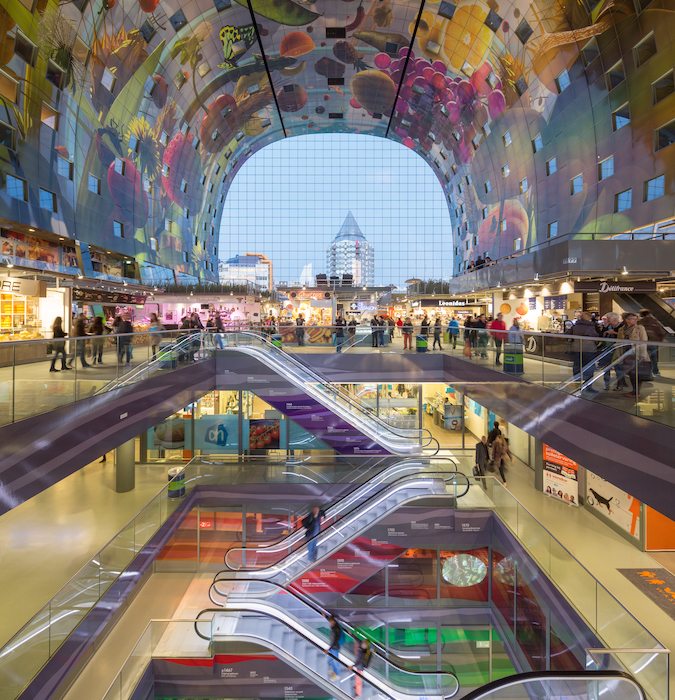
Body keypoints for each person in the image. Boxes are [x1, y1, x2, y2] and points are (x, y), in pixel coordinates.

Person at [618, 313, 650, 400]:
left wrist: (642, 355)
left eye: (636, 319)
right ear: (626, 319)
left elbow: (644, 341)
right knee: (631, 373)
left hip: (636, 354)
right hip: (626, 353)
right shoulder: (621, 329)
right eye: (632, 318)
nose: (634, 320)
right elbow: (618, 342)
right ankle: (634, 391)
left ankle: (636, 392)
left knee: (637, 373)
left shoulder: (640, 328)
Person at [570, 311, 599, 390]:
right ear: (589, 318)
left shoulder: (575, 326)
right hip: (589, 349)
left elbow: (568, 334)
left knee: (577, 367)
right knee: (589, 367)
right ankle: (588, 386)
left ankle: (577, 385)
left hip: (576, 348)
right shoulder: (591, 326)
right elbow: (596, 336)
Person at [598, 312, 625, 390]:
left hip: (617, 349)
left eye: (609, 319)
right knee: (606, 368)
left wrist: (614, 333)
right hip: (607, 349)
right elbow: (601, 336)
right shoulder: (607, 326)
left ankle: (620, 385)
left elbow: (623, 338)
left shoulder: (621, 327)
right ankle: (606, 384)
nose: (608, 321)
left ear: (615, 319)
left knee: (618, 367)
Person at [638, 309, 666, 376]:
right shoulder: (654, 321)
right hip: (653, 341)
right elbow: (661, 331)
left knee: (644, 357)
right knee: (654, 357)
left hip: (643, 342)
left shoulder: (639, 322)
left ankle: (646, 372)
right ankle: (655, 371)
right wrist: (660, 340)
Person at [325, 615, 344, 680]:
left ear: (334, 622)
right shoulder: (334, 626)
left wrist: (329, 649)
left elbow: (335, 641)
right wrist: (326, 616)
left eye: (331, 622)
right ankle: (335, 673)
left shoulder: (336, 629)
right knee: (331, 660)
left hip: (334, 647)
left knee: (334, 661)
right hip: (333, 647)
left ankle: (337, 674)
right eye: (330, 622)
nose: (330, 623)